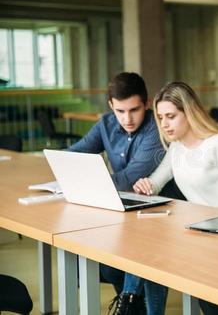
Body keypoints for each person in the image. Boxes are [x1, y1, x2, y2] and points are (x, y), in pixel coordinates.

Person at [110, 81, 218, 315]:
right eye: (161, 117)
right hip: (199, 233)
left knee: (153, 248)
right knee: (147, 246)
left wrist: (206, 221)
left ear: (189, 113)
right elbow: (156, 181)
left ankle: (129, 302)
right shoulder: (177, 147)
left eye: (171, 116)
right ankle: (131, 302)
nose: (164, 124)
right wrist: (146, 185)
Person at [68, 72, 165, 295]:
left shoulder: (155, 128)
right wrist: (59, 161)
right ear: (111, 105)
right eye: (120, 111)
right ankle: (129, 301)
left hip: (152, 213)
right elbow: (77, 152)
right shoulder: (106, 123)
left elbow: (128, 178)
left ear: (147, 104)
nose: (127, 118)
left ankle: (132, 302)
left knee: (113, 263)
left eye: (134, 110)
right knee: (93, 257)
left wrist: (84, 182)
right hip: (118, 208)